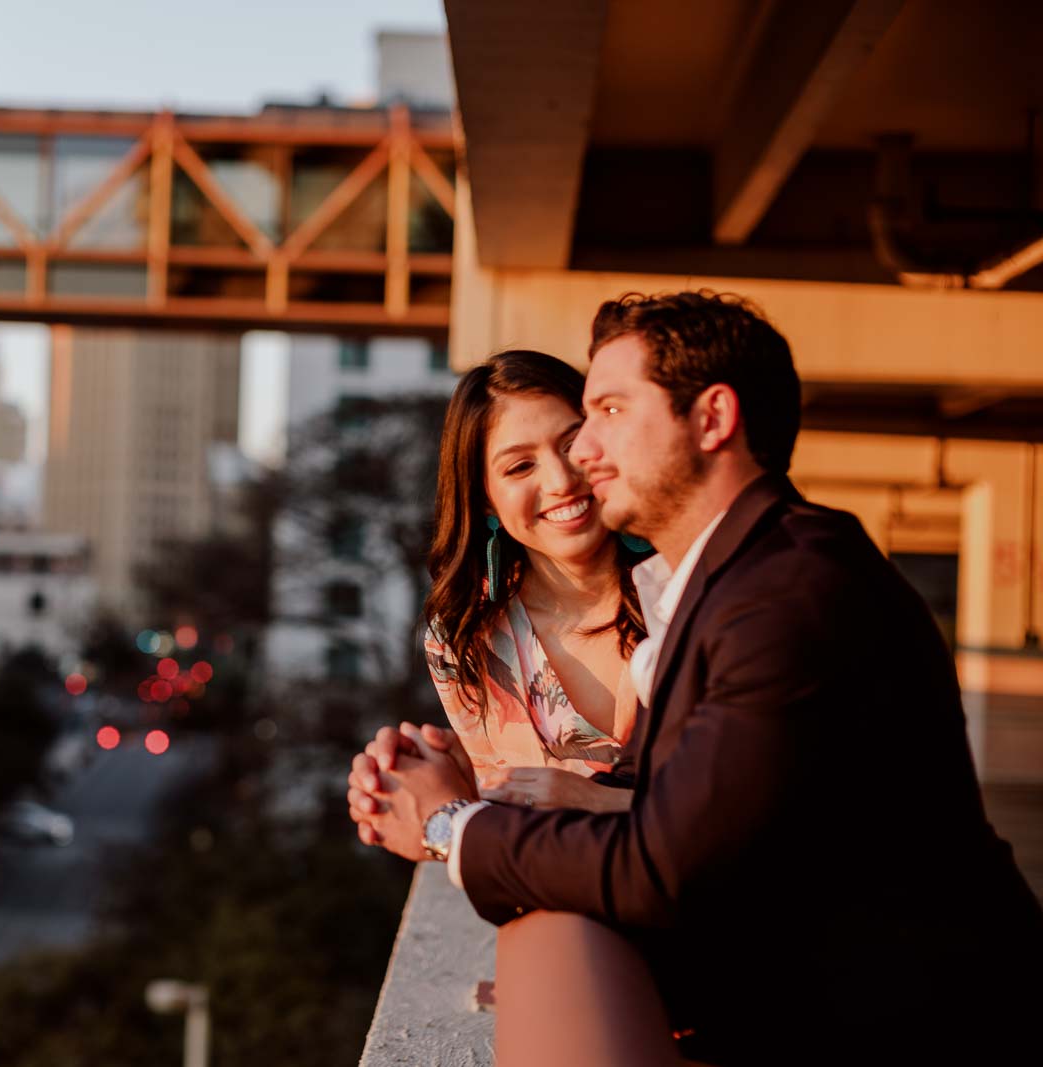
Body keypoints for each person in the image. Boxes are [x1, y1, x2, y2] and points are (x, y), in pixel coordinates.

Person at [348, 291, 1042, 1064]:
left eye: (605, 412)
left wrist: (450, 825)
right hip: (829, 990)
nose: (582, 455)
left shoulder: (788, 592)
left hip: (927, 1023)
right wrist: (441, 785)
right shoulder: (726, 582)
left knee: (554, 945)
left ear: (711, 419)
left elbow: (661, 864)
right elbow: (650, 792)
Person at [379, 349, 649, 821]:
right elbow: (504, 819)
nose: (562, 480)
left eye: (572, 443)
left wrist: (602, 801)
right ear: (485, 499)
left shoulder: (688, 589)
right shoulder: (464, 641)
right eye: (520, 467)